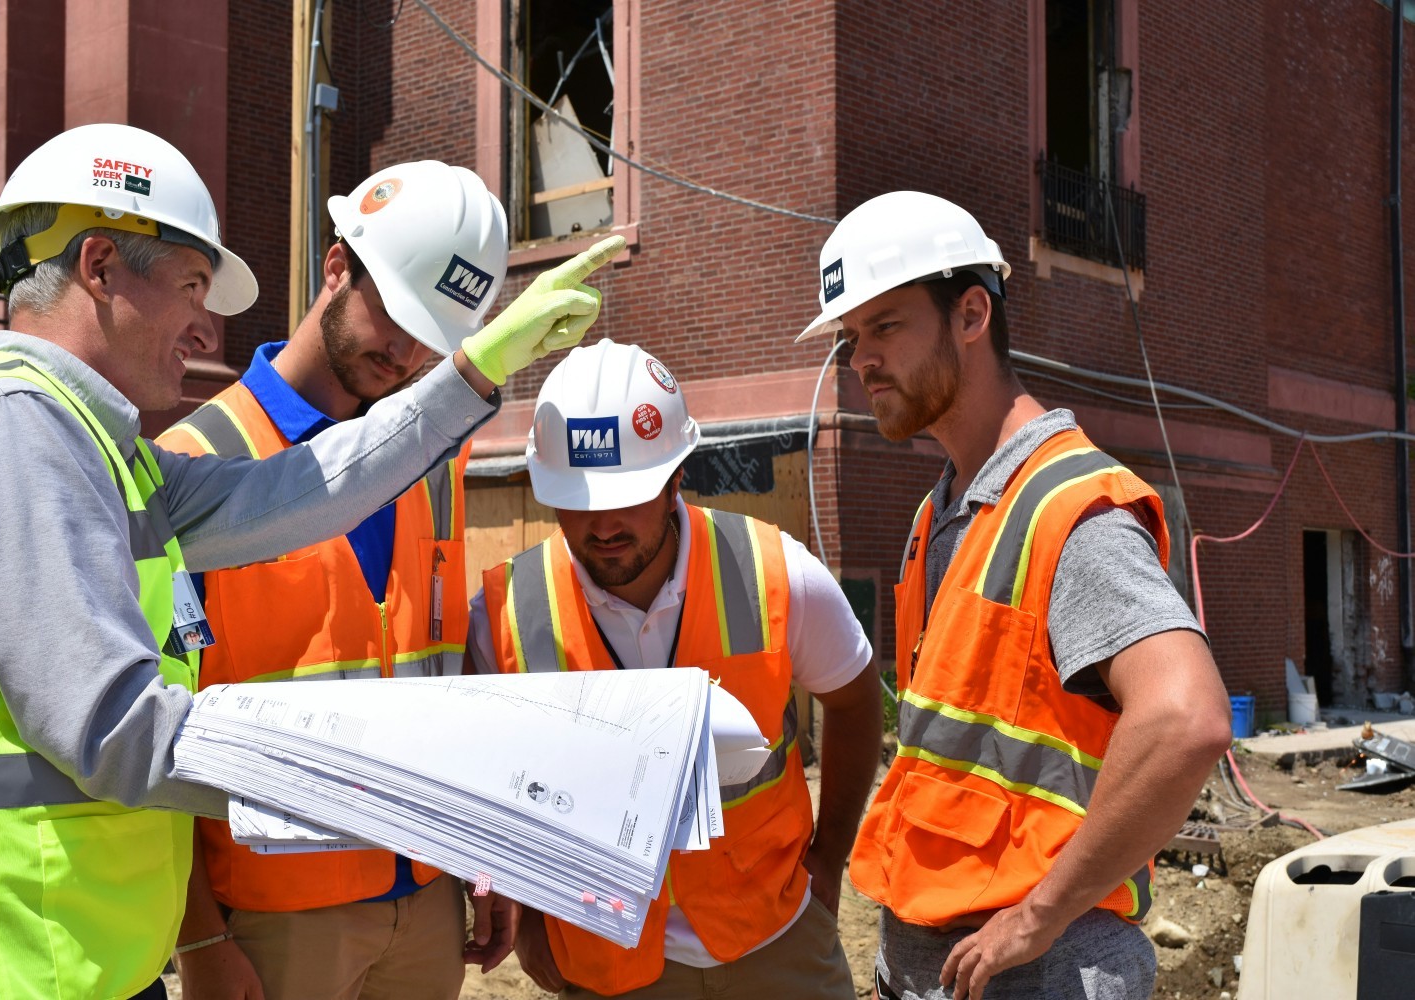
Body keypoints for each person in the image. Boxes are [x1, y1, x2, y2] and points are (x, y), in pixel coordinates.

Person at [0, 122, 622, 1000]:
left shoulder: (105, 451)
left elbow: (308, 492)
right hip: (9, 953)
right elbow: (114, 728)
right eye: (189, 287)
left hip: (77, 945)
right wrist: (389, 781)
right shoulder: (15, 429)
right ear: (98, 267)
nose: (204, 324)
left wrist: (477, 371)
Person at [795, 191, 1233, 1000]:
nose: (860, 359)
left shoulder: (1068, 506)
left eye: (885, 326)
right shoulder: (944, 511)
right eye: (851, 337)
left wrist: (1041, 912)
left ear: (971, 314)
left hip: (1040, 969)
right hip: (942, 959)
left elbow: (1187, 718)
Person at [155, 161, 518, 1000]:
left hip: (426, 897)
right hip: (274, 919)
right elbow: (156, 730)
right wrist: (200, 934)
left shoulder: (435, 461)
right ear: (335, 267)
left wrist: (482, 849)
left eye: (435, 330)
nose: (408, 351)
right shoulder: (194, 466)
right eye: (395, 312)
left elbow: (442, 679)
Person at [467, 339, 884, 1000]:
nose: (602, 524)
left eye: (627, 496)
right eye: (576, 499)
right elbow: (484, 781)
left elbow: (857, 700)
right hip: (607, 958)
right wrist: (523, 918)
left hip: (772, 937)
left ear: (675, 479)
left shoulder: (777, 573)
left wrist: (829, 860)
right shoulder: (503, 616)